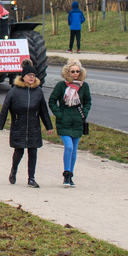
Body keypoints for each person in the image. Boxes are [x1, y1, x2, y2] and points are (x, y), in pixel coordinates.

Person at [0, 59, 53, 188]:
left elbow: (43, 111)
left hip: (34, 126)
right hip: (19, 126)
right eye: (29, 75)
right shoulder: (14, 91)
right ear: (24, 76)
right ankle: (14, 170)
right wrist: (1, 124)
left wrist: (48, 126)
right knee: (19, 151)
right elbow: (5, 108)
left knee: (33, 152)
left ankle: (31, 178)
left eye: (34, 76)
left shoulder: (38, 92)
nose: (32, 78)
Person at [49, 58, 92, 187]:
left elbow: (88, 101)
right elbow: (52, 101)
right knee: (68, 147)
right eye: (72, 71)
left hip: (78, 122)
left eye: (77, 71)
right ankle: (66, 173)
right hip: (64, 122)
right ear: (67, 71)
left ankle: (71, 174)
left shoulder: (84, 86)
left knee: (74, 150)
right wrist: (60, 114)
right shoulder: (61, 86)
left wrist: (83, 114)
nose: (75, 73)